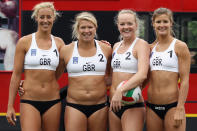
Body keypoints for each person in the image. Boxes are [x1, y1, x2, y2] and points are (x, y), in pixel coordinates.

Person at [6, 2, 65, 131]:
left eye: (48, 17)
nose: (45, 20)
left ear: (53, 18)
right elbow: (16, 75)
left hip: (53, 101)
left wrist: (99, 43)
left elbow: (77, 52)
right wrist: (10, 106)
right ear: (36, 17)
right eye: (42, 17)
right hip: (29, 101)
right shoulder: (25, 42)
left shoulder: (60, 43)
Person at [59, 11, 112, 131]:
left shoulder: (106, 49)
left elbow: (112, 77)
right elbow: (53, 76)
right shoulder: (66, 50)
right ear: (77, 29)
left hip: (100, 106)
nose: (86, 30)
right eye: (83, 27)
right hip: (74, 106)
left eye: (90, 27)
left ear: (95, 28)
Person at [146, 7, 190, 131]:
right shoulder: (149, 48)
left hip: (173, 106)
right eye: (158, 22)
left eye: (165, 21)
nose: (162, 25)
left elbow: (185, 80)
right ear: (153, 24)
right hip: (151, 107)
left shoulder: (180, 46)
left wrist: (180, 108)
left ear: (171, 23)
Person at [109, 9, 150, 131]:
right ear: (118, 26)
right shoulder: (116, 46)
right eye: (122, 24)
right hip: (114, 104)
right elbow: (113, 75)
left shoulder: (141, 44)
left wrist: (119, 91)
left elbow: (142, 74)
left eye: (129, 23)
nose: (126, 27)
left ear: (136, 25)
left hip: (132, 105)